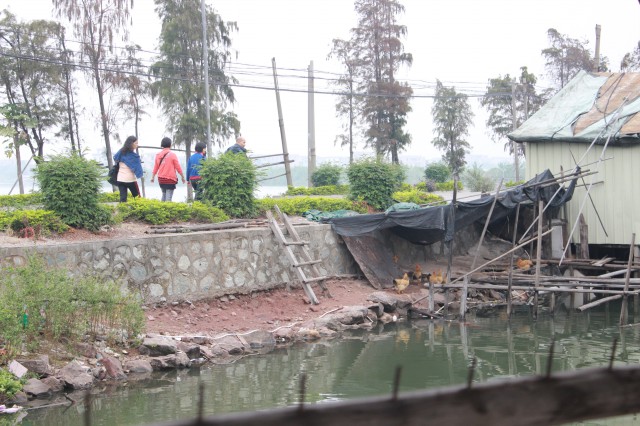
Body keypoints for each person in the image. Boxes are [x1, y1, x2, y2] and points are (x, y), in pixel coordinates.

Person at [150, 137, 186, 202]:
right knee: (168, 198)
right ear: (170, 145)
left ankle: (161, 209)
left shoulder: (158, 155)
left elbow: (155, 167)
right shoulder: (172, 155)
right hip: (170, 179)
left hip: (161, 179)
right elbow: (178, 167)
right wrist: (182, 177)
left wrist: (152, 177)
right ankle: (168, 210)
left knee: (164, 195)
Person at [113, 135, 144, 203]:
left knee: (123, 198)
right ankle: (138, 212)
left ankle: (122, 212)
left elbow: (115, 158)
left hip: (120, 179)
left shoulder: (120, 152)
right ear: (131, 144)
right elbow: (139, 170)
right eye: (136, 143)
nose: (137, 145)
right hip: (130, 180)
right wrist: (140, 175)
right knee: (137, 198)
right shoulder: (135, 156)